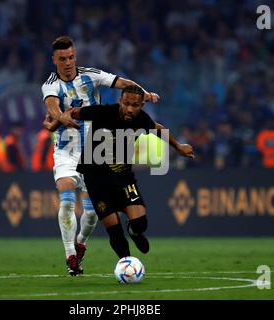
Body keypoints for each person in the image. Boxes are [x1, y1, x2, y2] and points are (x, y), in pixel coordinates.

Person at [41, 36, 159, 276]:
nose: (68, 62)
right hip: (66, 151)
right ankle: (70, 256)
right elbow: (52, 106)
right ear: (54, 60)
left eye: (71, 57)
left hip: (96, 154)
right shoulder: (50, 85)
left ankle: (81, 243)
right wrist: (60, 117)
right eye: (62, 59)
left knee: (93, 212)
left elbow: (122, 82)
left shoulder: (91, 74)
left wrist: (144, 93)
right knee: (66, 197)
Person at [45, 85, 194, 259]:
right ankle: (127, 263)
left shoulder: (141, 120)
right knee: (114, 231)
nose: (130, 109)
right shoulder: (103, 113)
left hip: (124, 178)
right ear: (120, 101)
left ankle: (134, 231)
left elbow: (157, 128)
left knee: (140, 223)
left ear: (141, 106)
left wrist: (178, 146)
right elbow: (72, 111)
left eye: (135, 105)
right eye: (126, 103)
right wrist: (54, 124)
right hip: (96, 180)